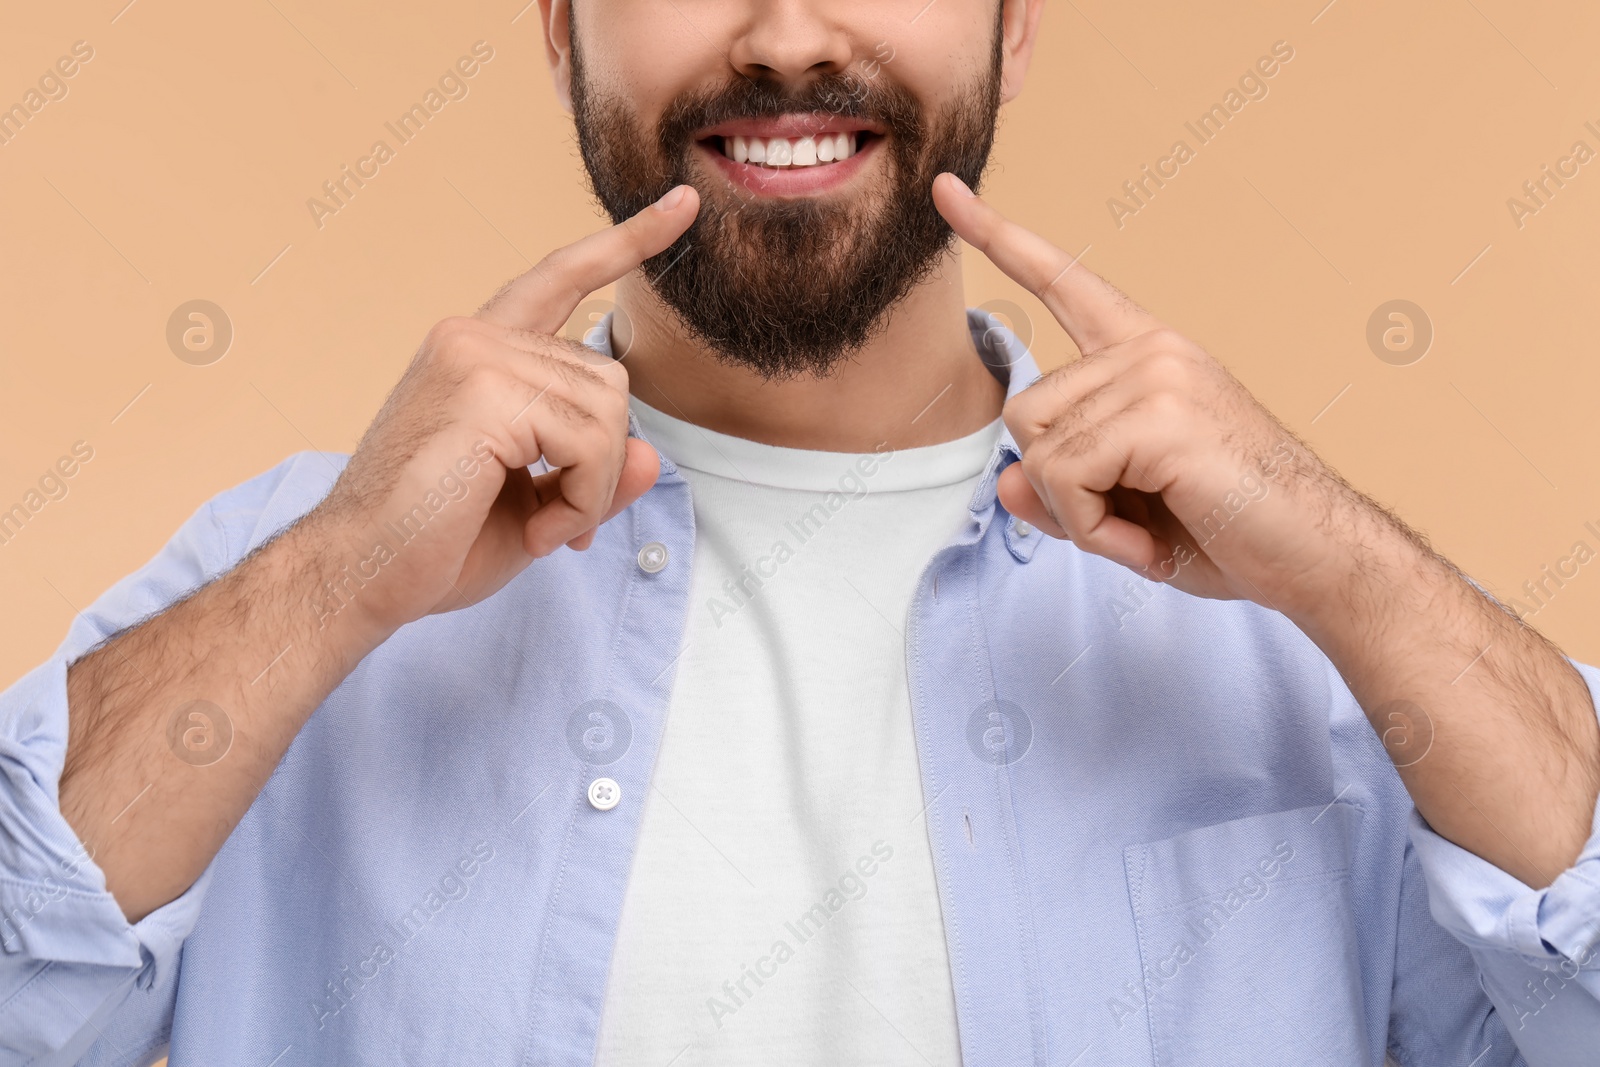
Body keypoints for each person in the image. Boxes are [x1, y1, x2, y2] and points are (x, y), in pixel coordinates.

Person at [3, 1, 1598, 1064]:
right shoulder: (299, 570)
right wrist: (337, 577)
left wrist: (1345, 560)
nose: (782, 36)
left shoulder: (1306, 624)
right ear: (561, 29)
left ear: (1015, 22)